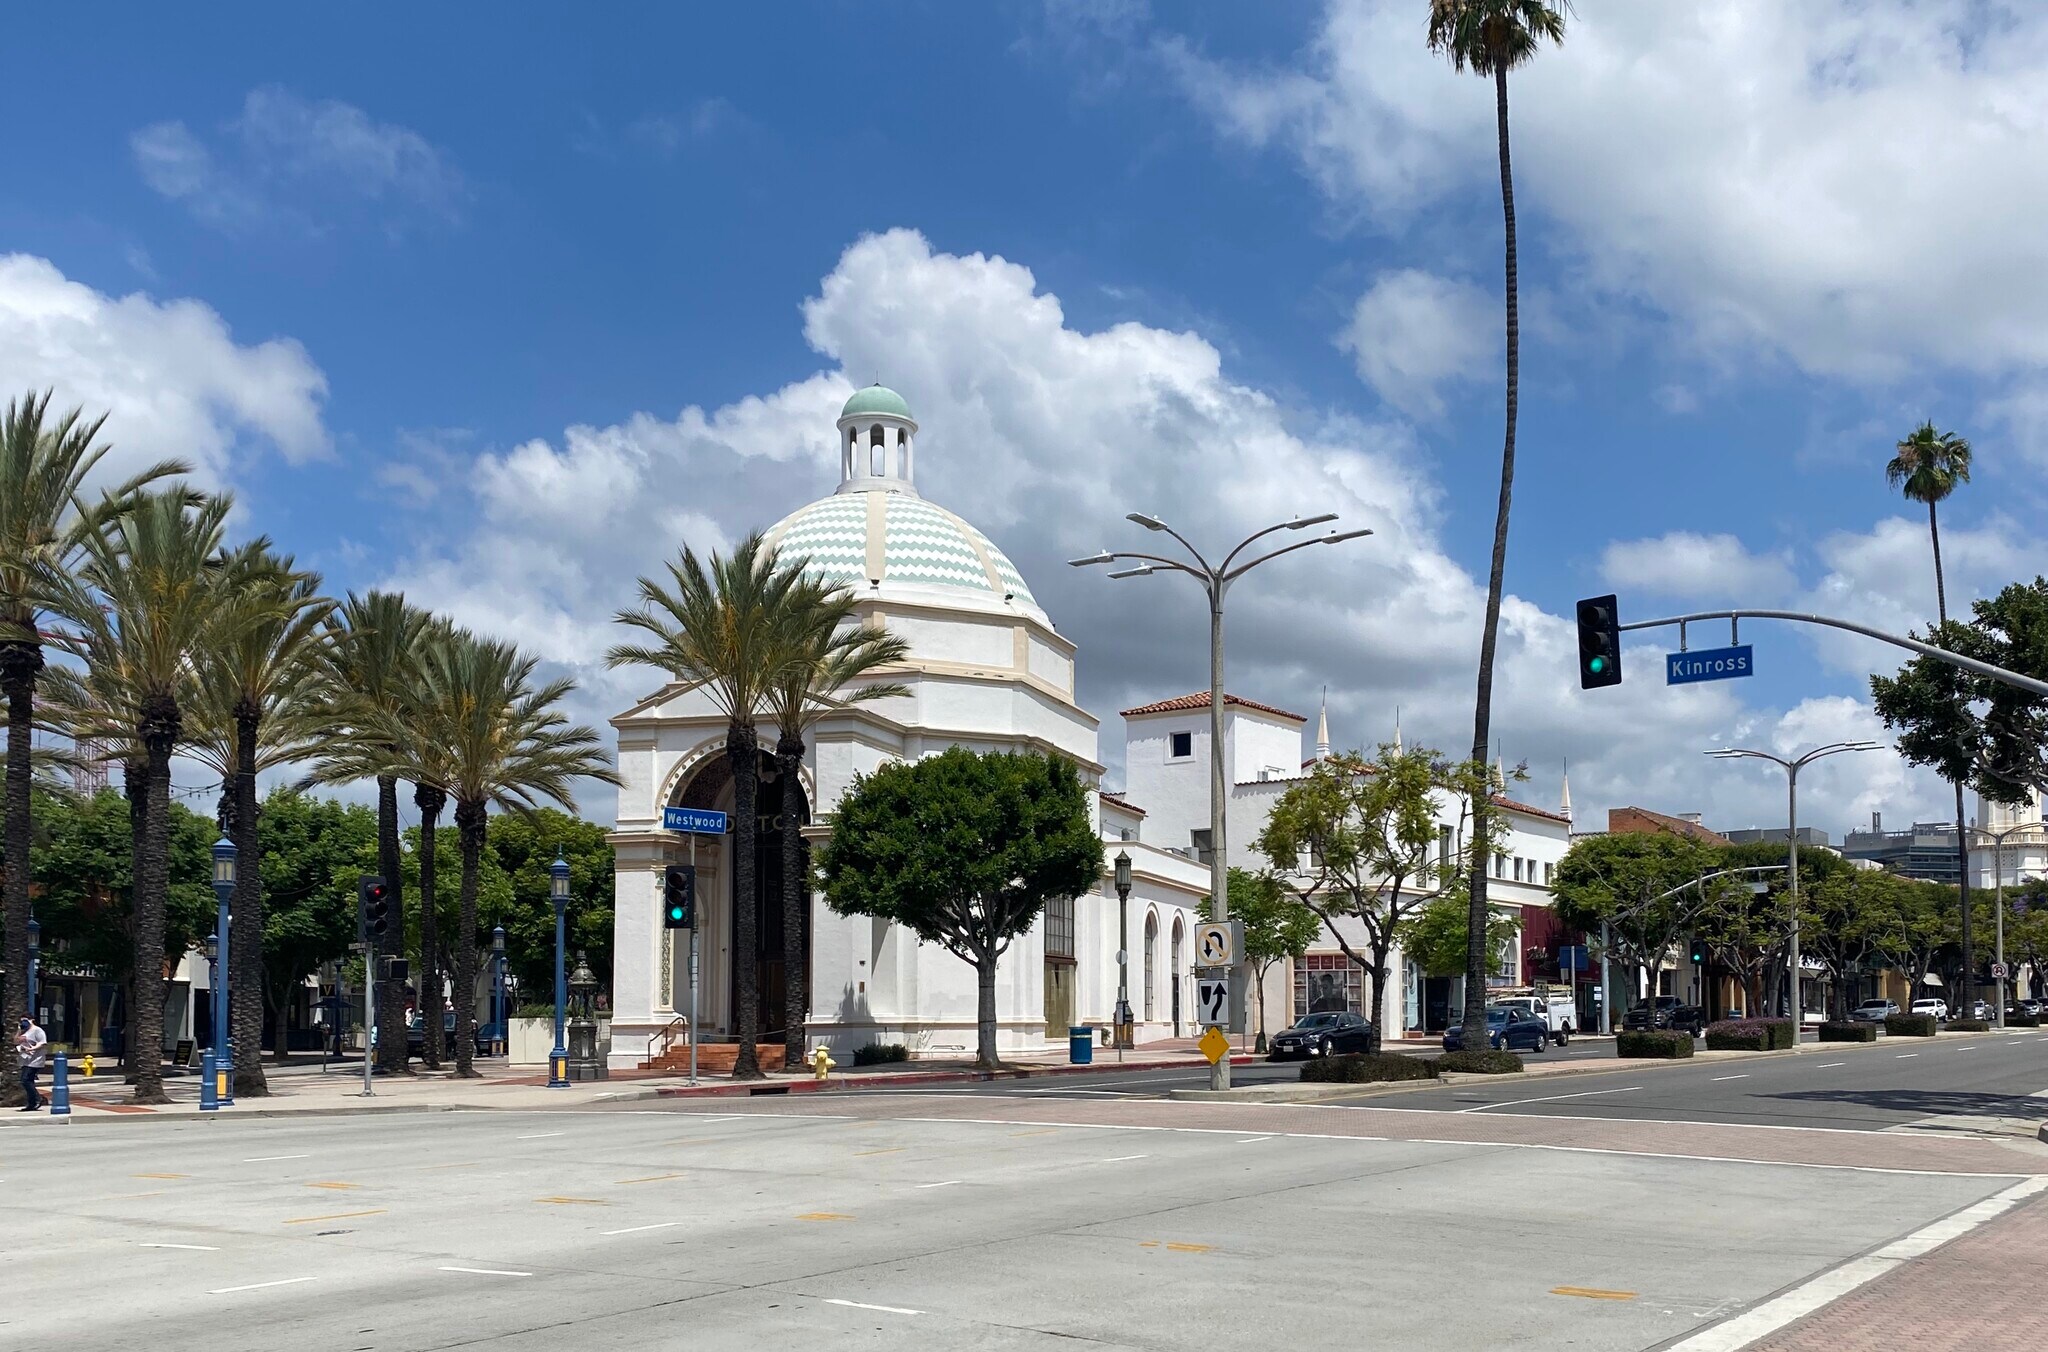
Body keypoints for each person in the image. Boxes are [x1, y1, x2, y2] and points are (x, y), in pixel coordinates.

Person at [15, 1015, 48, 1111]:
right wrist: (19, 1030)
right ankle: (31, 1103)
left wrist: (32, 1048)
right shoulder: (25, 1031)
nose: (23, 1022)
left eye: (25, 1020)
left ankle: (38, 1099)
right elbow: (15, 1041)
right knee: (26, 1081)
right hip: (26, 1059)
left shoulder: (37, 1030)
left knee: (26, 1080)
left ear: (31, 1020)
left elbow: (43, 1042)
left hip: (35, 1059)